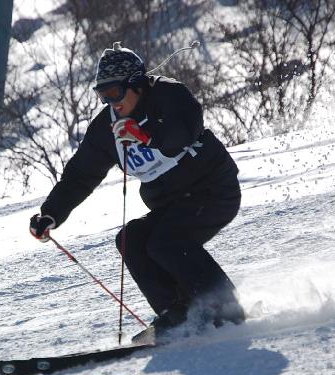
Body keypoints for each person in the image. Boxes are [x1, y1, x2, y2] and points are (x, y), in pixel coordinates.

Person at [29, 42, 244, 338]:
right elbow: (80, 174)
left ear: (137, 84)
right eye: (103, 95)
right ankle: (178, 314)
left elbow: (184, 131)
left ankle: (227, 309)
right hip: (172, 204)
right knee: (131, 239)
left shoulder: (169, 95)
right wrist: (51, 213)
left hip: (213, 191)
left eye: (114, 93)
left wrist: (146, 135)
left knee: (166, 242)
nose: (111, 102)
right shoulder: (107, 128)